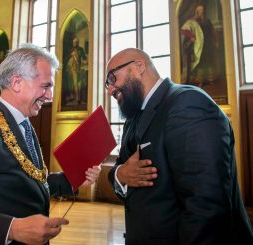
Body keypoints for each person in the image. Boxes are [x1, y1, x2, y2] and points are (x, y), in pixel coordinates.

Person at [0, 44, 101, 245]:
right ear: (17, 83)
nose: (50, 96)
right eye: (46, 86)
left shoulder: (23, 124)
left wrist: (73, 180)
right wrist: (13, 229)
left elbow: (29, 182)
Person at [106, 48, 253, 244]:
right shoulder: (132, 120)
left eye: (112, 79)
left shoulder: (188, 104)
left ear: (138, 67)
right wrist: (120, 174)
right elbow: (120, 167)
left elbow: (206, 208)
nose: (109, 90)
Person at [181, 3, 218, 87]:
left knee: (209, 61)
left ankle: (210, 80)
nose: (201, 11)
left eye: (202, 10)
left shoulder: (207, 20)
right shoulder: (193, 21)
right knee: (200, 62)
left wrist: (215, 41)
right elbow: (184, 29)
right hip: (199, 44)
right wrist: (192, 36)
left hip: (208, 43)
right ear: (197, 11)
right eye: (199, 10)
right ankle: (200, 81)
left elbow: (212, 31)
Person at [65, 37, 87, 104]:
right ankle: (77, 98)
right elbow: (67, 59)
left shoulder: (81, 49)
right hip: (73, 69)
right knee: (75, 84)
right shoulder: (71, 50)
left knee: (80, 83)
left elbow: (85, 59)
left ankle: (80, 97)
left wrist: (84, 62)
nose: (75, 43)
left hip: (79, 68)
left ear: (78, 42)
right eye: (74, 42)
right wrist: (71, 55)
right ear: (73, 43)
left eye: (76, 42)